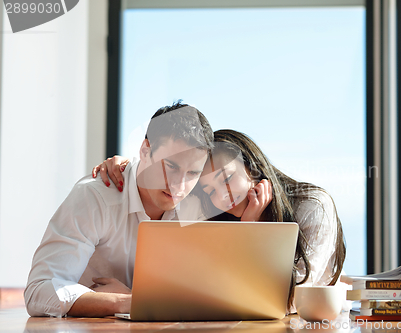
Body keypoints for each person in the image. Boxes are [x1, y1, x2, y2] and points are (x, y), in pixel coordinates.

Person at [95, 129, 346, 312]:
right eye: (210, 190)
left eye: (226, 178)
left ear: (253, 168)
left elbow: (295, 298)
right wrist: (125, 168)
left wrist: (252, 231)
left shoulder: (313, 205)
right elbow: (203, 292)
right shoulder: (217, 218)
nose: (222, 197)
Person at [25, 102, 214, 317]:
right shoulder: (96, 197)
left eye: (192, 174)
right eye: (170, 166)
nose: (178, 187)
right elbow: (39, 292)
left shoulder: (197, 208)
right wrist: (125, 303)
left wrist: (135, 298)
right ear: (145, 150)